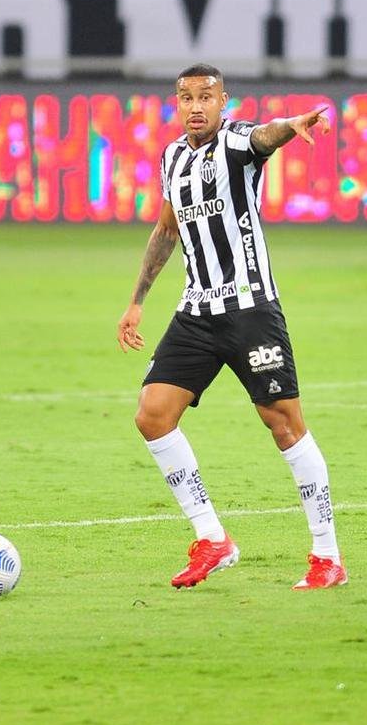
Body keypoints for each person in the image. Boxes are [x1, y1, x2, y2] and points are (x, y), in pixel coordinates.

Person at [117, 63, 346, 591]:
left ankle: (327, 557)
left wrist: (292, 124)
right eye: (186, 97)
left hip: (249, 310)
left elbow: (265, 137)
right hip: (197, 311)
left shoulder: (238, 142)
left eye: (207, 97)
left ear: (224, 103)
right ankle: (211, 538)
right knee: (152, 415)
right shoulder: (173, 157)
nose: (196, 106)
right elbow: (165, 230)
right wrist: (136, 302)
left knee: (284, 425)